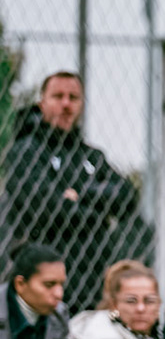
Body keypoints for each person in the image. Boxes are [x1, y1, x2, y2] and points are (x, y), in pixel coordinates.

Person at [4, 73, 147, 309]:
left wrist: (80, 194)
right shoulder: (25, 151)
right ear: (42, 103)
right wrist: (100, 216)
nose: (66, 104)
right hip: (43, 281)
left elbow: (127, 197)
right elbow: (46, 209)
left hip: (92, 280)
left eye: (73, 98)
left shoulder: (91, 155)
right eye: (58, 96)